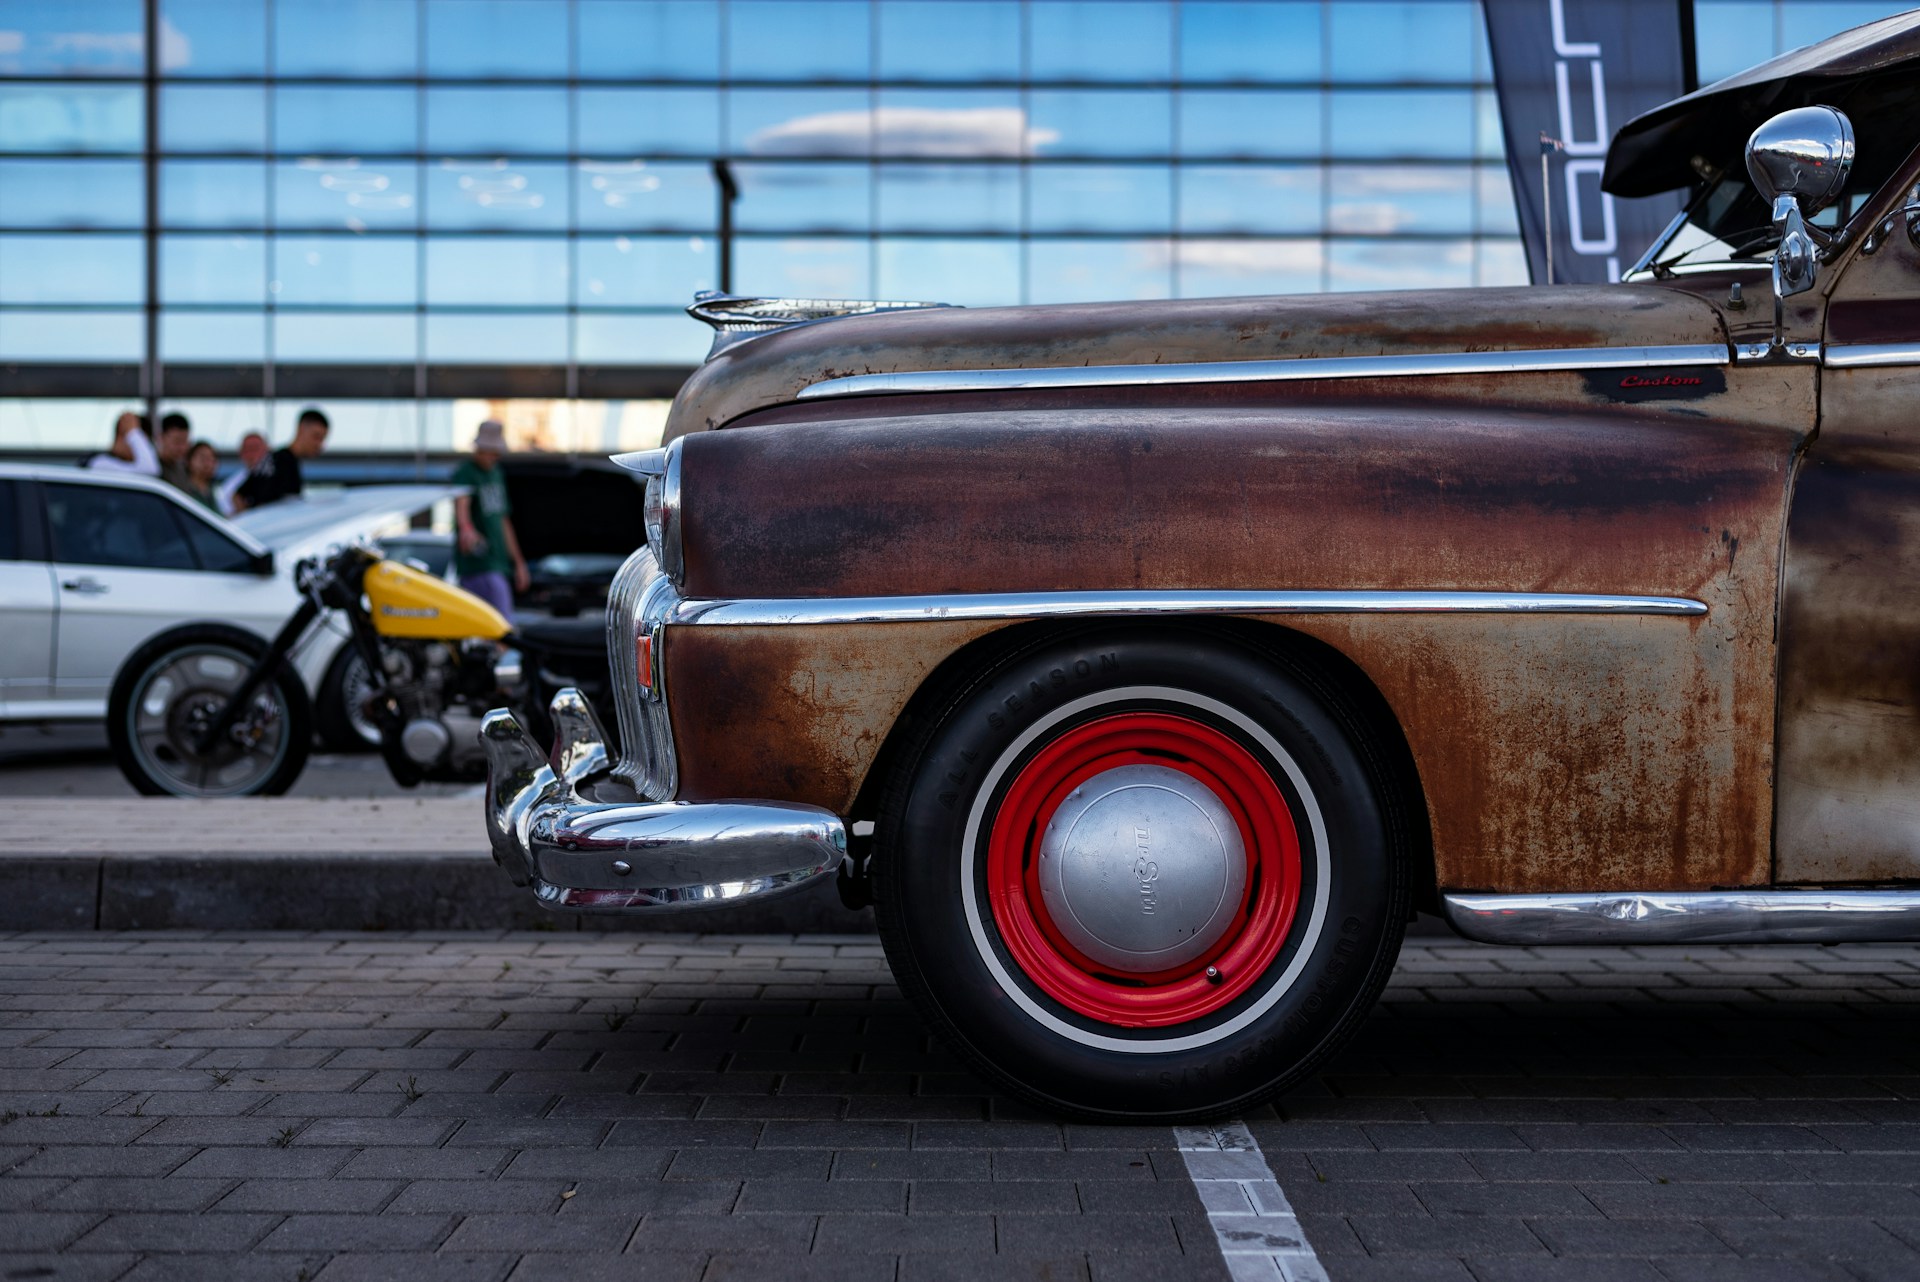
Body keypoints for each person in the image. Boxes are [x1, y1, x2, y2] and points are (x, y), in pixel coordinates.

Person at [452, 419, 528, 615]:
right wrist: (467, 529)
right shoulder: (466, 472)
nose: (493, 457)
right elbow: (462, 504)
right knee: (500, 627)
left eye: (496, 452)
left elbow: (504, 521)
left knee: (497, 627)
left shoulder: (496, 474)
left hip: (498, 562)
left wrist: (518, 563)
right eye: (489, 451)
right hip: (477, 563)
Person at [234, 409, 328, 512]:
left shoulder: (277, 459)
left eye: (322, 439)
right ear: (301, 429)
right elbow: (239, 496)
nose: (319, 445)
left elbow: (238, 495)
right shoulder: (283, 463)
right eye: (316, 437)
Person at [85, 411, 160, 475]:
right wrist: (133, 431)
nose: (120, 440)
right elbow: (148, 471)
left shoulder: (136, 466)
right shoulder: (100, 464)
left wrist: (133, 432)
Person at [219, 432, 268, 514]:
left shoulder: (283, 479)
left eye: (256, 448)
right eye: (247, 450)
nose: (252, 454)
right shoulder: (230, 487)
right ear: (241, 453)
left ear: (267, 450)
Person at [155, 412, 194, 495]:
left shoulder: (182, 468)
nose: (182, 448)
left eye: (185, 442)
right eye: (177, 442)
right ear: (161, 438)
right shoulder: (153, 468)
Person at [182, 441, 224, 513]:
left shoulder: (219, 491)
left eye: (212, 459)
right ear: (189, 461)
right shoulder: (182, 492)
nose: (208, 463)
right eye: (203, 458)